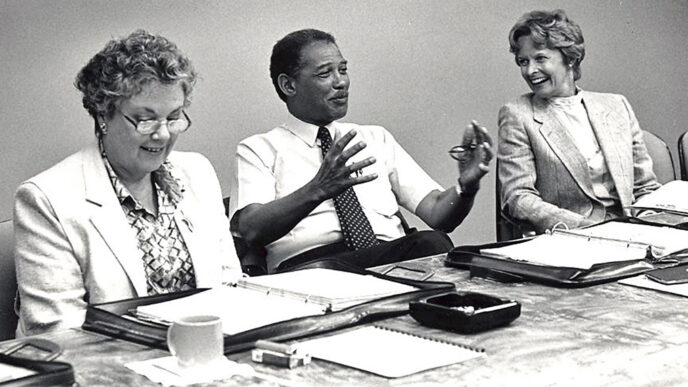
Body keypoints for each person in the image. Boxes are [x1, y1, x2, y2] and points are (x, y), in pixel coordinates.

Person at [13, 30, 242, 336]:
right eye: (145, 119)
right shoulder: (46, 198)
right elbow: (58, 329)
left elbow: (230, 287)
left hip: (201, 356)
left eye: (173, 117)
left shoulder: (196, 172)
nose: (162, 135)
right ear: (104, 113)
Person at [235, 29, 493, 273]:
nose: (341, 83)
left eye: (343, 70)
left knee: (436, 245)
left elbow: (439, 214)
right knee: (429, 248)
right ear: (288, 86)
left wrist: (465, 187)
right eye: (325, 73)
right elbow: (251, 229)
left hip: (388, 260)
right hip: (312, 271)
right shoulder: (259, 149)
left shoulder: (374, 137)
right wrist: (318, 189)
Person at [497, 10, 660, 234]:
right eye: (523, 62)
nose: (530, 71)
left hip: (635, 233)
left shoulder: (616, 105)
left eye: (540, 58)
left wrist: (650, 225)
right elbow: (518, 198)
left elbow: (645, 187)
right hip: (572, 238)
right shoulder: (517, 114)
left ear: (571, 58)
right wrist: (587, 228)